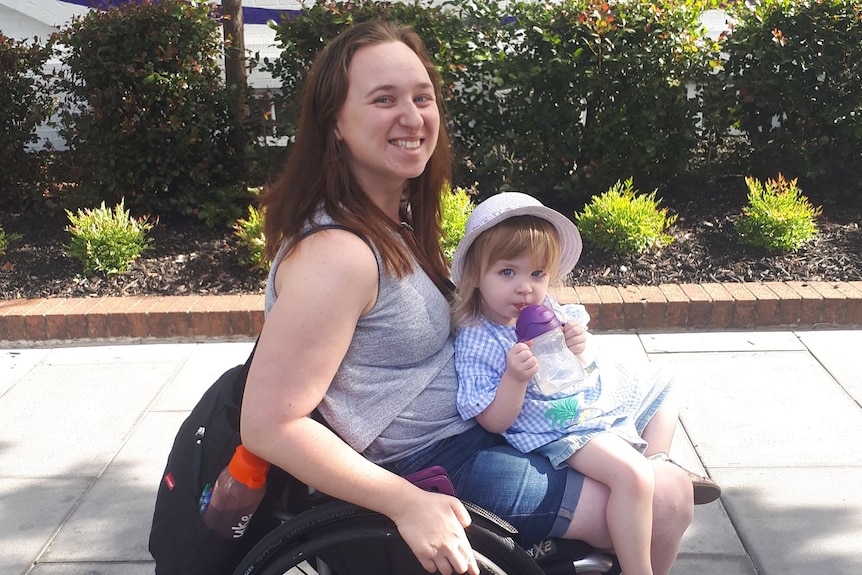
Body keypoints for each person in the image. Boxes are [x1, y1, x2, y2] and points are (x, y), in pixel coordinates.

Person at [240, 20, 694, 575]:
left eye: (422, 97)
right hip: (433, 462)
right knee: (666, 499)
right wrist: (406, 503)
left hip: (476, 430)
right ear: (334, 121)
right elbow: (268, 424)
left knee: (648, 445)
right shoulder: (338, 255)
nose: (411, 117)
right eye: (384, 99)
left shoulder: (391, 221)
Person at [450, 192, 721, 575]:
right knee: (633, 476)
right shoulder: (480, 337)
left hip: (588, 403)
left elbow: (577, 363)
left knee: (665, 382)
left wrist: (578, 347)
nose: (525, 287)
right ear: (476, 275)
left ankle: (657, 459)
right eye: (508, 272)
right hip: (559, 424)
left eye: (537, 274)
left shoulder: (548, 312)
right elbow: (494, 421)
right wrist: (514, 378)